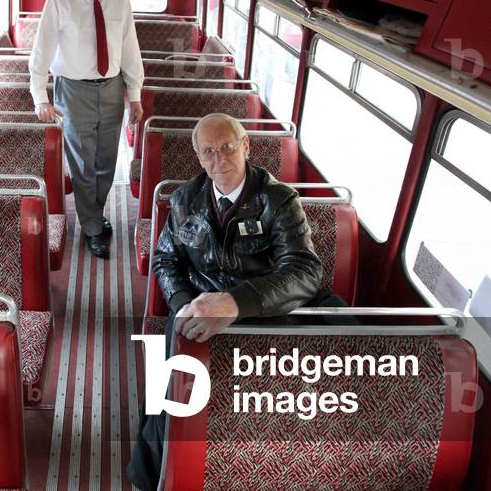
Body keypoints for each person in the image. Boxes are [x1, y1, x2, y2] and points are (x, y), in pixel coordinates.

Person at [127, 112, 346, 490]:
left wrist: (236, 303)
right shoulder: (184, 200)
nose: (219, 159)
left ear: (245, 146)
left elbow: (304, 271)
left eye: (227, 147)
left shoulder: (277, 200)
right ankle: (158, 476)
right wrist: (182, 303)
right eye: (208, 152)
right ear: (199, 158)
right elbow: (165, 259)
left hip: (266, 309)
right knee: (175, 395)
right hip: (200, 308)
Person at [29, 0, 144, 258]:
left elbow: (130, 48)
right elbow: (42, 49)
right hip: (73, 89)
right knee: (82, 163)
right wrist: (40, 97)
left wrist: (134, 93)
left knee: (106, 161)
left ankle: (94, 212)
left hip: (112, 88)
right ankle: (93, 226)